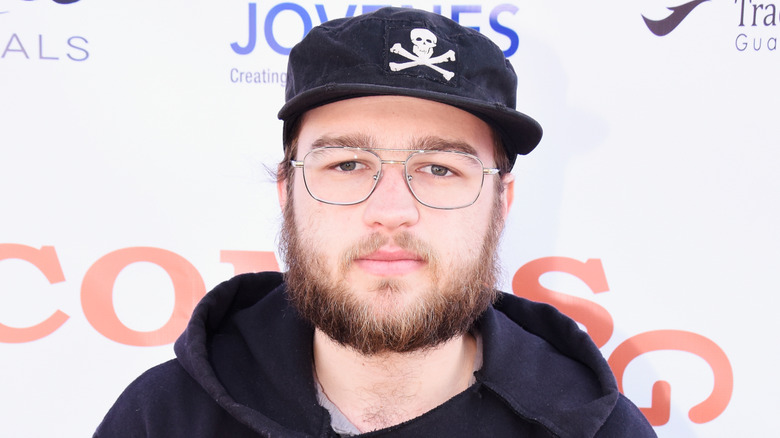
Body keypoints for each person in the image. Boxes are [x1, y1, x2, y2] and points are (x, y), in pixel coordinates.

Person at [94, 7, 656, 437]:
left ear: (500, 203)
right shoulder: (164, 418)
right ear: (288, 192)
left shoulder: (601, 431)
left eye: (439, 168)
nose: (391, 209)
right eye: (347, 164)